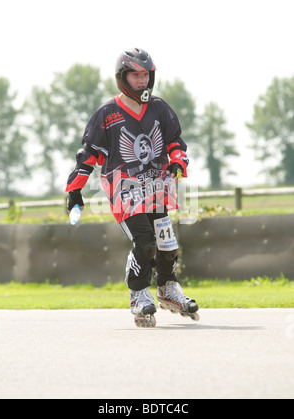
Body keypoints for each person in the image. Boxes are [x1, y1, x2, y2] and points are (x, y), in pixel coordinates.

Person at [66, 48, 199, 327]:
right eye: (135, 75)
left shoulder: (160, 108)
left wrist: (177, 163)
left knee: (167, 242)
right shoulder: (107, 114)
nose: (141, 80)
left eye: (145, 74)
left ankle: (167, 288)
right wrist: (75, 190)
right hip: (124, 192)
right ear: (122, 77)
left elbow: (176, 142)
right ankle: (138, 293)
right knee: (145, 241)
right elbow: (88, 156)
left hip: (157, 186)